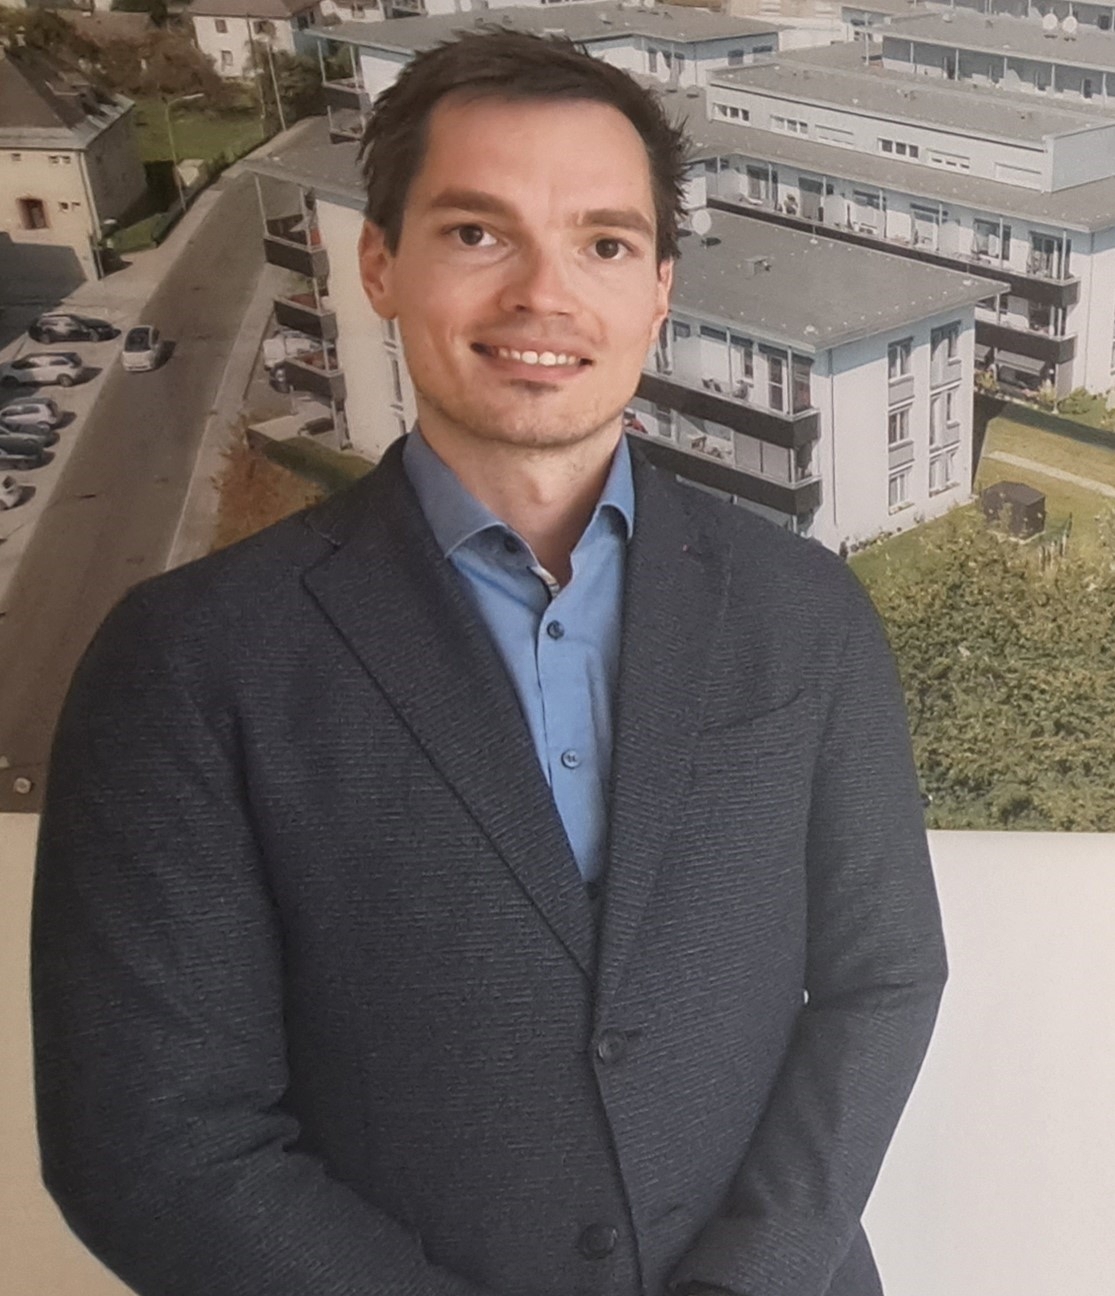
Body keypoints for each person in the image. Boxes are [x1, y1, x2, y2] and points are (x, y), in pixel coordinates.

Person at [32, 30, 948, 1296]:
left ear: (659, 289)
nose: (542, 297)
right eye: (476, 232)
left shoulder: (807, 611)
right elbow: (149, 1141)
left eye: (602, 244)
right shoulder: (187, 663)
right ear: (380, 264)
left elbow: (881, 977)